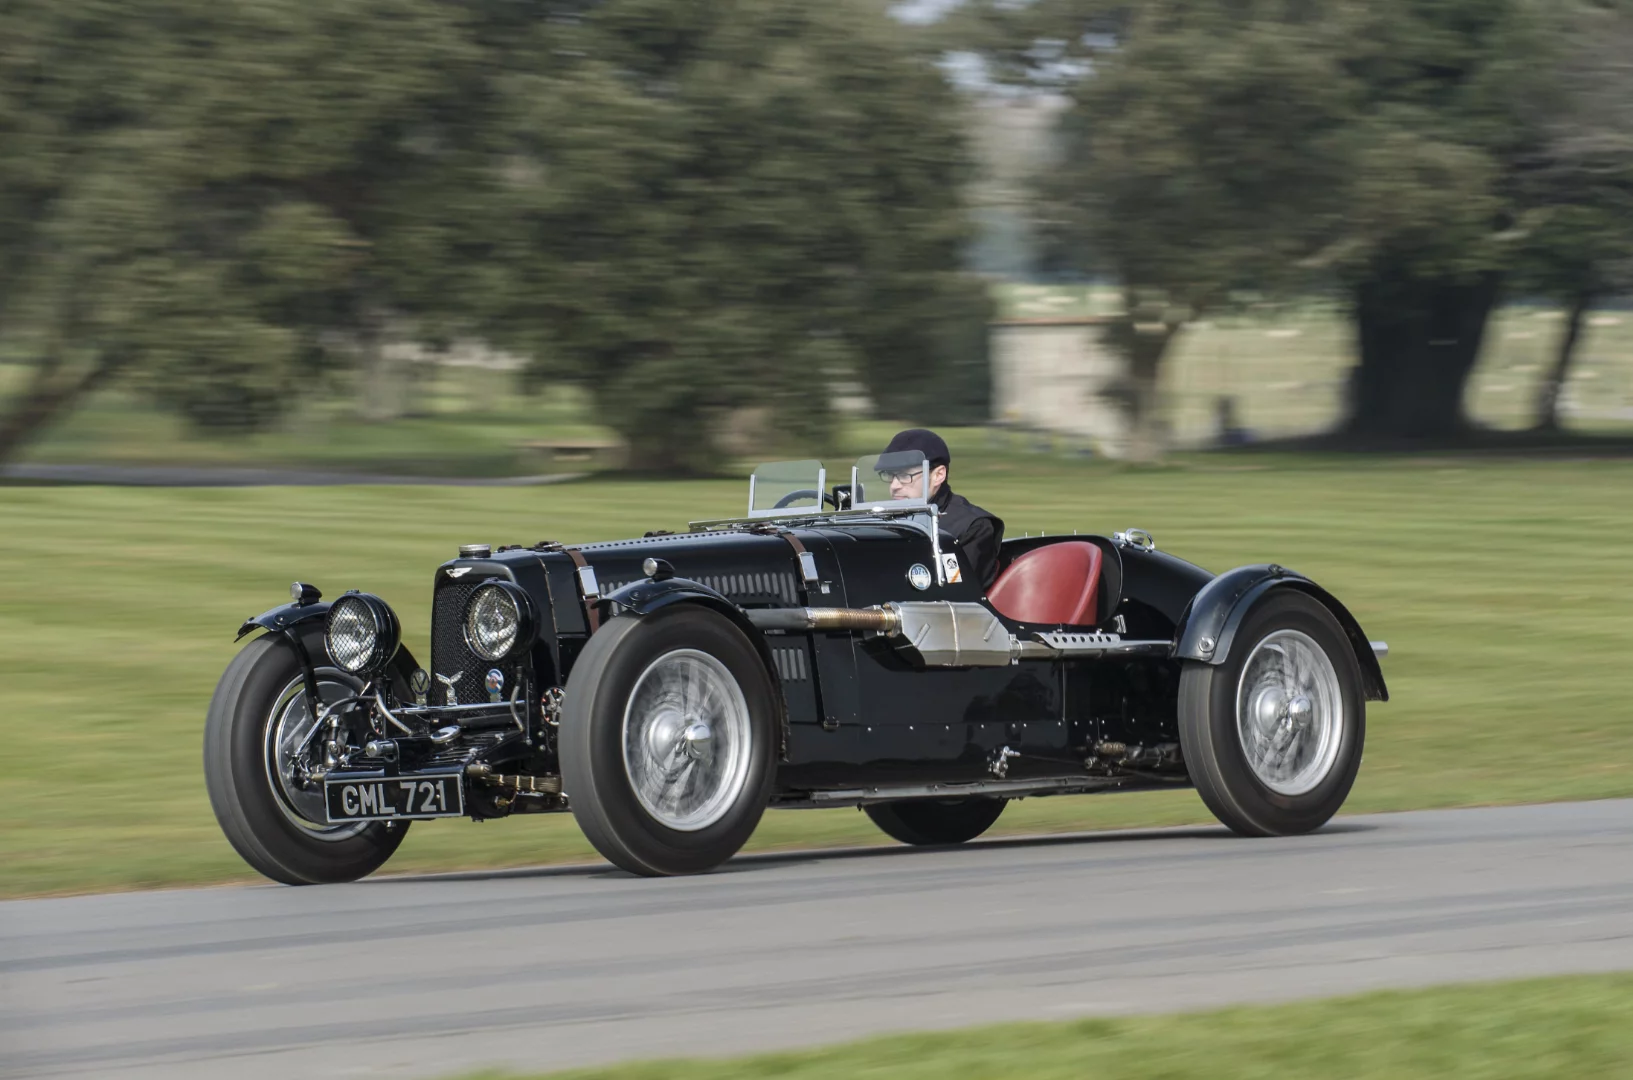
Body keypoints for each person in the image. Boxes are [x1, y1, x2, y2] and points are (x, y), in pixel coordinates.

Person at [878, 428, 1005, 589]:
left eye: (904, 476)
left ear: (938, 475)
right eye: (889, 475)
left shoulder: (972, 527)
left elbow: (958, 593)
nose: (894, 486)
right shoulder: (884, 519)